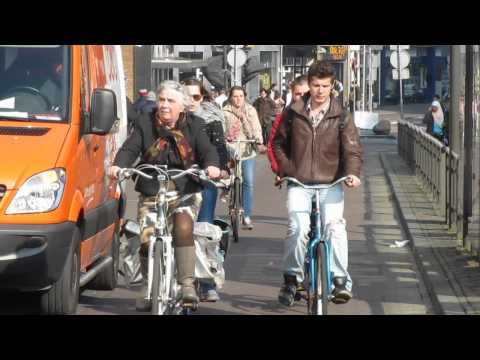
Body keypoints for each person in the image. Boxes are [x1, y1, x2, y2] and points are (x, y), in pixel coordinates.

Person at [109, 80, 221, 310]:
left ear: (182, 105)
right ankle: (148, 287)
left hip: (184, 188)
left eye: (170, 101)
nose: (165, 105)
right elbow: (130, 148)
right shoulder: (144, 123)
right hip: (152, 187)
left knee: (183, 227)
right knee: (147, 238)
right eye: (161, 100)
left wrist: (212, 166)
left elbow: (207, 151)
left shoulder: (194, 125)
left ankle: (187, 284)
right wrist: (118, 166)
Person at [272, 60, 363, 306]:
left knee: (335, 228)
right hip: (299, 183)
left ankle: (340, 281)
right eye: (315, 85)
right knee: (298, 227)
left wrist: (352, 173)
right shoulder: (293, 112)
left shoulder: (342, 115)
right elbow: (278, 144)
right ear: (309, 85)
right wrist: (287, 169)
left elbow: (352, 150)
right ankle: (291, 279)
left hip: (331, 183)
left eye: (325, 86)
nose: (320, 90)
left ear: (332, 86)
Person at [184, 78, 229, 302]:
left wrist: (217, 168)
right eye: (187, 96)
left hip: (203, 181)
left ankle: (206, 283)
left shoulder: (211, 119)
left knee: (202, 231)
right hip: (179, 182)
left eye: (196, 97)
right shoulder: (171, 118)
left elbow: (220, 150)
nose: (191, 101)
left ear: (202, 97)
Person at [223, 86, 265, 229]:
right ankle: (229, 198)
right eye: (235, 96)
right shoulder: (225, 111)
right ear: (230, 97)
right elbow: (221, 129)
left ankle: (246, 214)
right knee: (229, 180)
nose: (238, 99)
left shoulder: (250, 110)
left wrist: (258, 140)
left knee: (248, 181)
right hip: (231, 150)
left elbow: (256, 128)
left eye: (241, 96)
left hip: (247, 150)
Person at [267, 75, 309, 176]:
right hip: (295, 175)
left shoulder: (324, 115)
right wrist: (281, 169)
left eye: (306, 93)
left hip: (323, 176)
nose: (302, 97)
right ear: (292, 94)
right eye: (298, 94)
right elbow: (273, 145)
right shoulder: (283, 117)